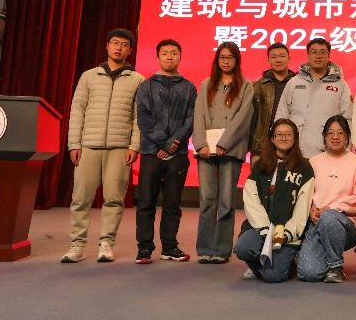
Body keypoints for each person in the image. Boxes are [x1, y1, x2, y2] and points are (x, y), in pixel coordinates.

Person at [63, 28, 144, 264]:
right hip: (88, 145)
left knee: (114, 199)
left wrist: (134, 145)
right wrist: (74, 144)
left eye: (124, 45)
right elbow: (77, 110)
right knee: (80, 198)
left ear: (130, 50)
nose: (119, 47)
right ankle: (77, 245)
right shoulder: (89, 76)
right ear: (107, 45)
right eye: (115, 43)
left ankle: (106, 244)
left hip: (120, 147)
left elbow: (139, 117)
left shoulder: (137, 80)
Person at [134, 38, 198, 264]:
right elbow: (143, 117)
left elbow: (191, 119)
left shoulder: (189, 87)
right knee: (146, 202)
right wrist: (164, 143)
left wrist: (174, 143)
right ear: (158, 58)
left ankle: (169, 247)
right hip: (151, 152)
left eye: (174, 53)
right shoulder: (146, 86)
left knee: (173, 203)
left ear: (180, 57)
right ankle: (144, 248)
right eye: (165, 53)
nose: (169, 57)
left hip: (178, 154)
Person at [193, 41, 254, 263]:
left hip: (231, 149)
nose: (226, 61)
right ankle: (204, 248)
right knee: (207, 200)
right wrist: (200, 143)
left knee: (227, 202)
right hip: (206, 150)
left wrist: (225, 143)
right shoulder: (206, 84)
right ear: (217, 60)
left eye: (230, 57)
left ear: (237, 60)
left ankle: (221, 250)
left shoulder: (246, 86)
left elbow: (243, 117)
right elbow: (199, 114)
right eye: (222, 57)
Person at [233, 119, 315, 282]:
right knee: (243, 248)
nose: (283, 138)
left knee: (272, 277)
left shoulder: (304, 167)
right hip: (260, 228)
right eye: (279, 134)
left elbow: (302, 206)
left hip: (287, 232)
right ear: (272, 138)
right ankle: (262, 263)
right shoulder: (260, 166)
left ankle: (284, 265)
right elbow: (251, 201)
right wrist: (265, 230)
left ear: (295, 138)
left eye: (288, 134)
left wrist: (286, 234)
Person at [296, 116, 356, 282]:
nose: (335, 137)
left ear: (347, 136)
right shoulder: (314, 162)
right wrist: (310, 210)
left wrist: (331, 208)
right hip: (316, 222)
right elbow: (304, 193)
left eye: (340, 133)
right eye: (330, 133)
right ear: (324, 136)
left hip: (346, 224)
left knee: (330, 217)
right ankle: (316, 257)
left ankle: (335, 267)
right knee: (309, 274)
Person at [277, 38, 353, 159]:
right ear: (307, 55)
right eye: (314, 52)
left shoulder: (341, 85)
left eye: (322, 52)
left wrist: (345, 151)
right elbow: (282, 116)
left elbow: (348, 119)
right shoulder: (294, 82)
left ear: (329, 56)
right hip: (295, 152)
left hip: (327, 154)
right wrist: (280, 148)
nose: (318, 56)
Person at [249, 42, 297, 158]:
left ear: (289, 59)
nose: (278, 60)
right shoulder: (257, 86)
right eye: (274, 57)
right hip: (262, 146)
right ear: (268, 61)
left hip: (293, 146)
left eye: (282, 56)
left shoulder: (299, 84)